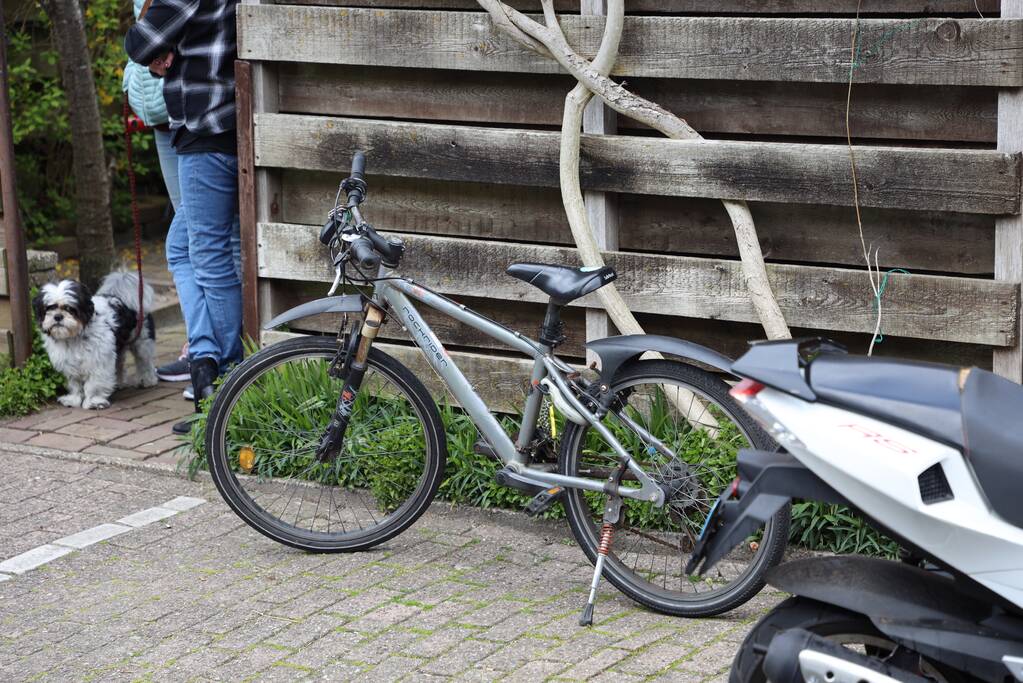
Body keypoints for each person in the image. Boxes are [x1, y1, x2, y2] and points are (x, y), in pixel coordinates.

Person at [125, 0, 242, 435]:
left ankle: (228, 381)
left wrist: (155, 40)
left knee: (208, 255)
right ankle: (209, 361)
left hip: (204, 131)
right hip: (230, 124)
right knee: (196, 249)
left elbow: (140, 41)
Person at [121, 0, 190, 389]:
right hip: (162, 122)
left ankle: (209, 350)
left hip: (193, 112)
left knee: (196, 237)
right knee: (188, 235)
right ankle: (197, 344)